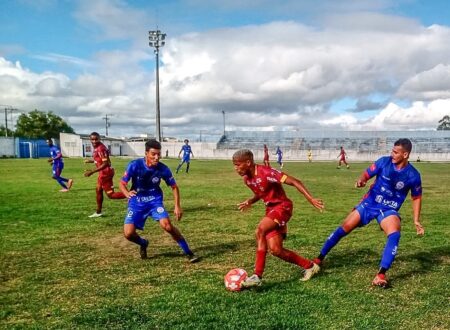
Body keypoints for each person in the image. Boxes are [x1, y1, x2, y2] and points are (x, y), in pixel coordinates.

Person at [312, 138, 424, 288]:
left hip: (388, 209)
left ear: (405, 155)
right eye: (392, 150)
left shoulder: (413, 175)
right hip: (370, 203)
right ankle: (319, 259)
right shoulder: (383, 162)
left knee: (395, 233)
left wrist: (416, 220)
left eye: (396, 152)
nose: (392, 154)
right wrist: (361, 180)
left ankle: (381, 275)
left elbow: (416, 197)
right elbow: (366, 174)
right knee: (344, 227)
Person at [232, 149, 324, 287]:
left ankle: (257, 276)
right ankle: (310, 266)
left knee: (260, 230)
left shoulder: (266, 172)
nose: (236, 168)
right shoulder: (247, 179)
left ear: (248, 162)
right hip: (271, 210)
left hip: (282, 207)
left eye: (237, 164)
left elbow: (294, 181)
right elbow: (261, 192)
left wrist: (310, 198)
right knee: (276, 250)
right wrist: (250, 201)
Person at [119, 139, 199, 262]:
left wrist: (177, 206)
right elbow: (122, 183)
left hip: (154, 201)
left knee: (167, 226)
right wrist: (126, 193)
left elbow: (174, 187)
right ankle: (143, 243)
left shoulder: (163, 169)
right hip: (137, 201)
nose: (157, 157)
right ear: (146, 153)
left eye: (158, 154)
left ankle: (189, 253)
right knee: (128, 234)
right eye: (153, 154)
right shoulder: (134, 165)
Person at [84, 132, 125, 218]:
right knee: (98, 190)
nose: (94, 141)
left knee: (111, 195)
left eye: (96, 139)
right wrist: (91, 161)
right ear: (90, 140)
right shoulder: (97, 148)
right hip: (103, 172)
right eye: (92, 139)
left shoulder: (100, 148)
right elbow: (100, 160)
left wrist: (92, 171)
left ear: (99, 139)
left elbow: (105, 163)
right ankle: (98, 212)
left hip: (105, 173)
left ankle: (132, 194)